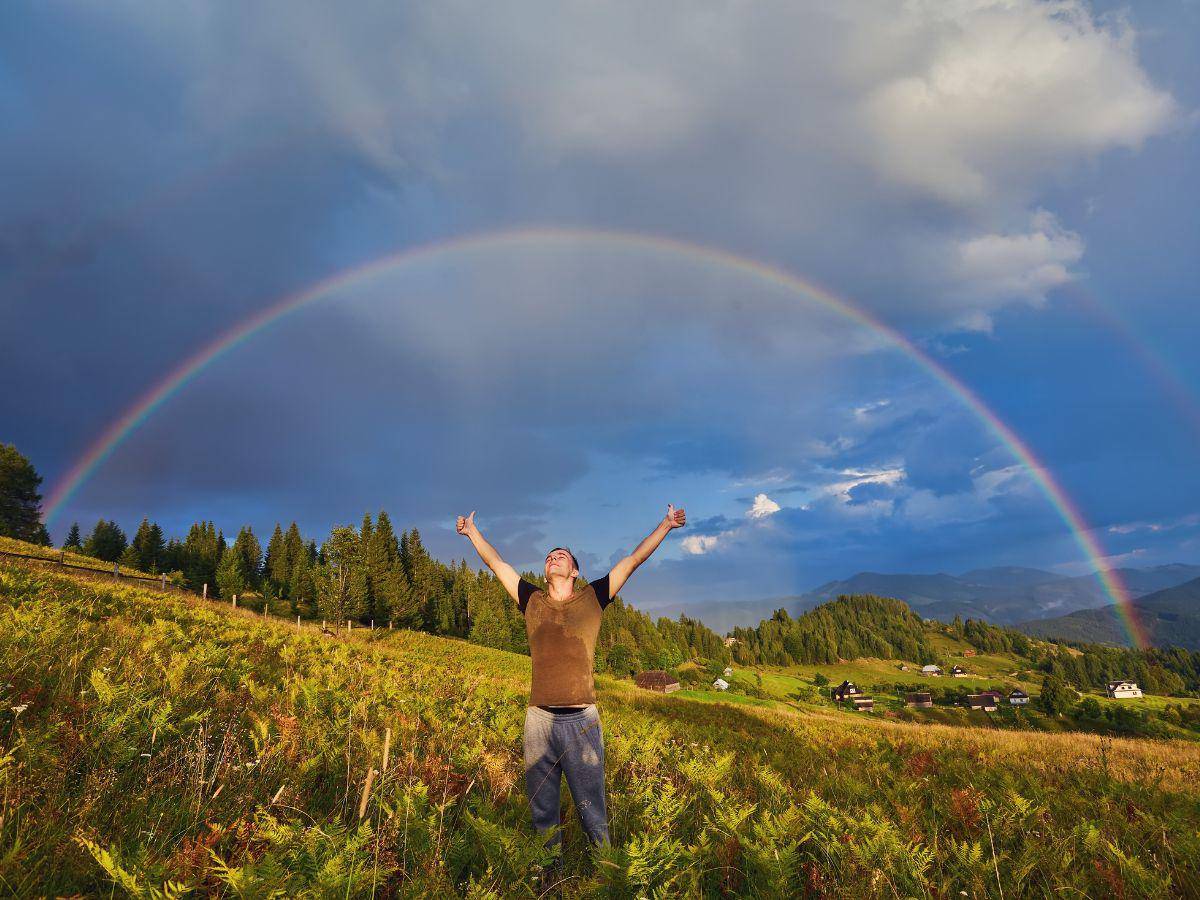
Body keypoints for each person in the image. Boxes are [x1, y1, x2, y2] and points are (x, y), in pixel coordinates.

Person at [455, 504, 686, 864]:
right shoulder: (530, 600)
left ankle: (605, 877)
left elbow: (633, 560)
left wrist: (666, 525)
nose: (553, 558)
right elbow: (497, 564)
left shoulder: (593, 597)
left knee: (593, 812)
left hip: (582, 722)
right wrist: (472, 532)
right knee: (543, 814)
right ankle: (551, 878)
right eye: (549, 556)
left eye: (561, 556)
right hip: (538, 722)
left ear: (575, 570)